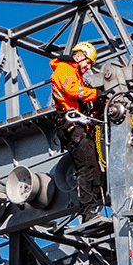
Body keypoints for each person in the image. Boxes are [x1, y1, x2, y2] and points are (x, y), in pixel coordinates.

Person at [50, 41, 103, 219]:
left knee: (92, 165)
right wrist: (96, 94)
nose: (88, 68)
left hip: (77, 125)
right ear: (79, 56)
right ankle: (88, 211)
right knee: (87, 166)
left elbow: (80, 99)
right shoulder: (64, 69)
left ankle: (92, 208)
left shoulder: (74, 73)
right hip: (71, 126)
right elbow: (73, 91)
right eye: (87, 63)